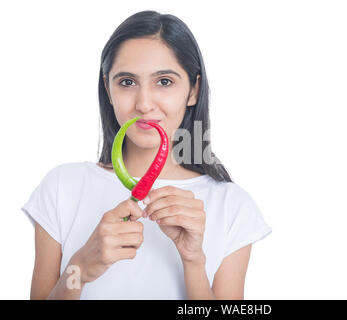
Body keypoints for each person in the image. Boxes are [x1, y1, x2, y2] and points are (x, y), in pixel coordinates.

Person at [21, 10, 271, 300]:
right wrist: (80, 267)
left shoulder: (232, 206)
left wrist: (194, 261)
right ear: (108, 89)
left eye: (164, 81)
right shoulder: (62, 186)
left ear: (193, 90)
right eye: (127, 82)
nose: (144, 103)